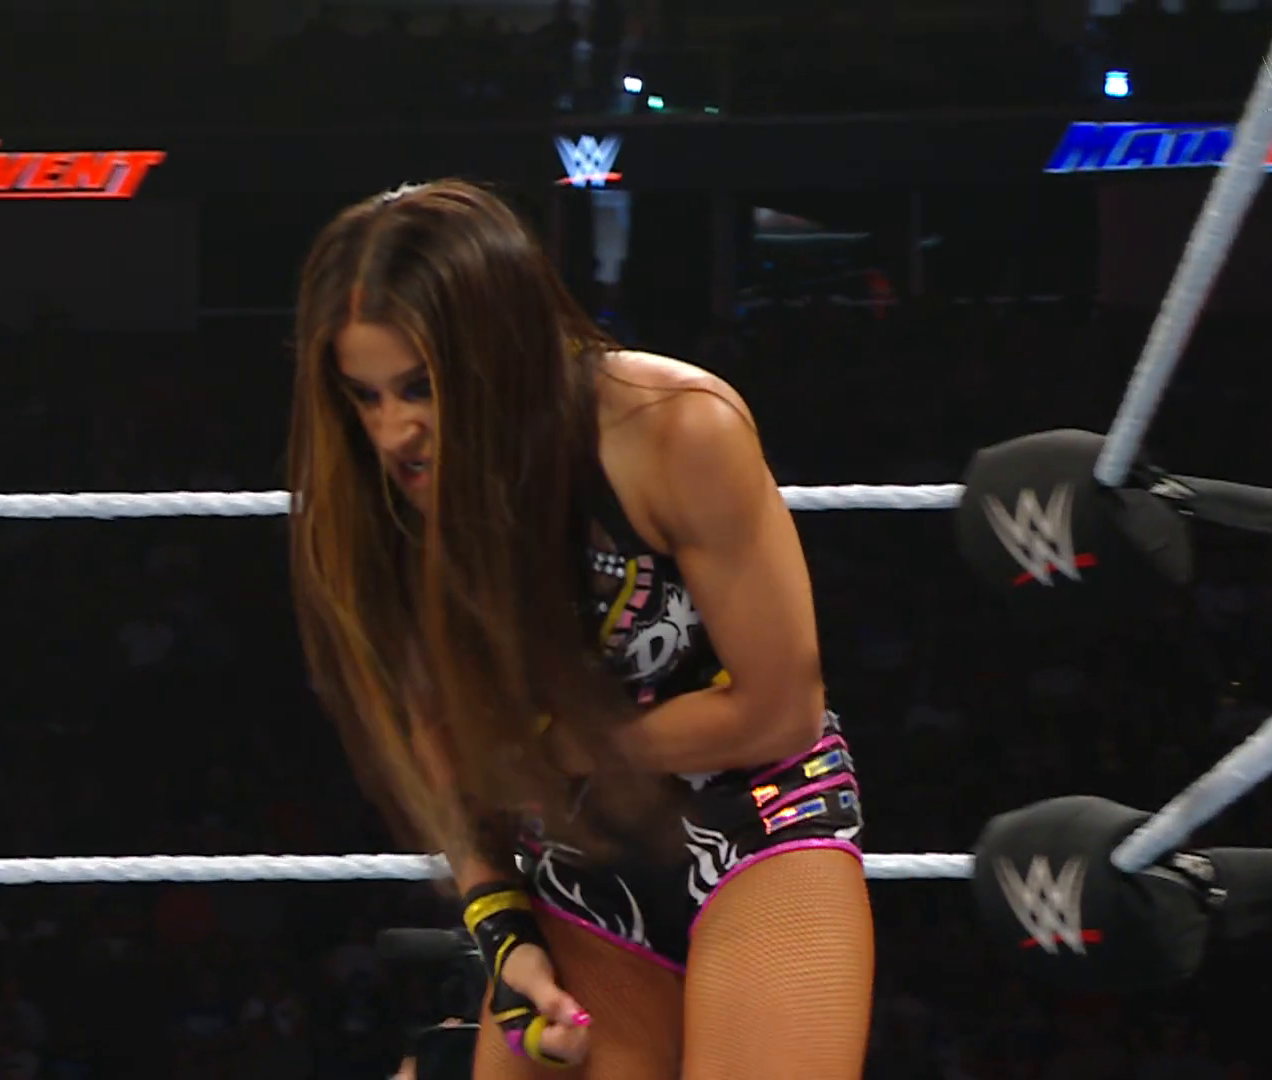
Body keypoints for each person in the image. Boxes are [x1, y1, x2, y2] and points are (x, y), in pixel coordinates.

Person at [287, 178, 873, 1079]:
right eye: (363, 396)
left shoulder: (673, 429)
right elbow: (448, 753)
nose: (393, 431)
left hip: (757, 827)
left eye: (420, 388)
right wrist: (503, 931)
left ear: (498, 355)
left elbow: (780, 713)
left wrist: (552, 755)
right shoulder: (388, 503)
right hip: (573, 862)